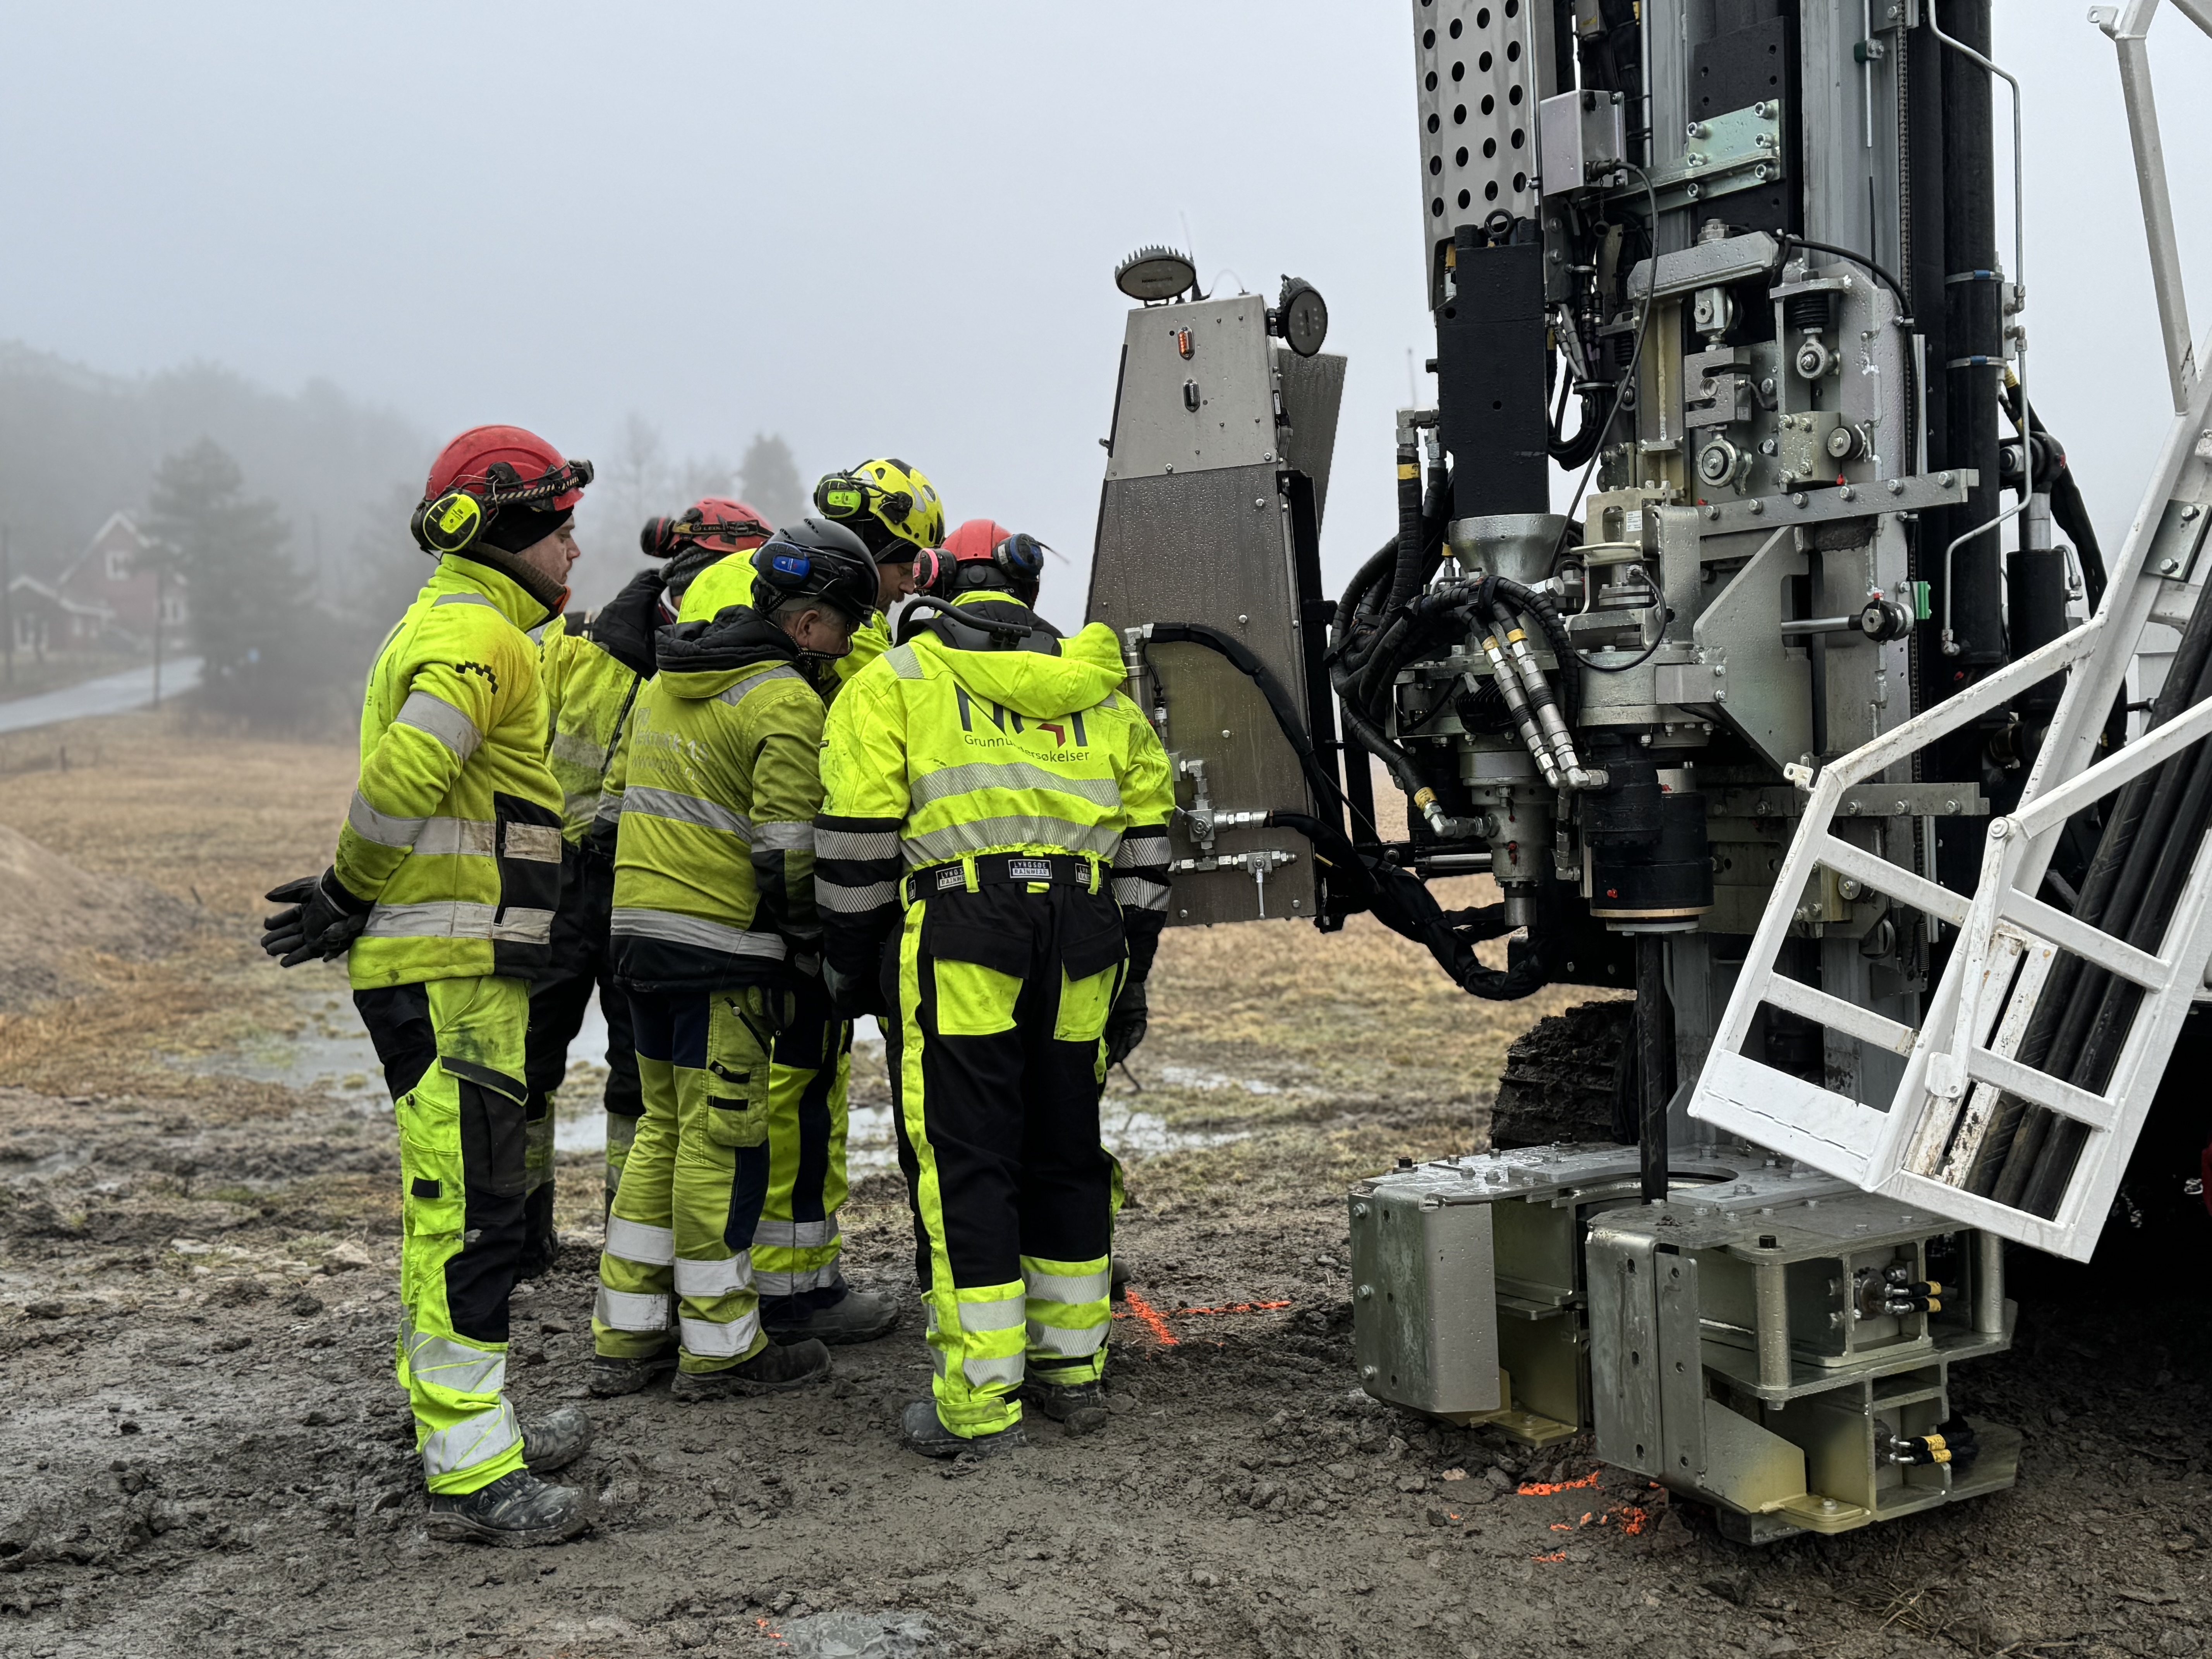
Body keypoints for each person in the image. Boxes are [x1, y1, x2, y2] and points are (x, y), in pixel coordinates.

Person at [260, 424, 600, 1546]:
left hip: (460, 964)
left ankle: (465, 1424)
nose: (574, 547)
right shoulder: (476, 634)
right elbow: (408, 767)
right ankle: (473, 1468)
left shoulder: (471, 624)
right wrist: (348, 888)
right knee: (473, 1213)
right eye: (558, 526)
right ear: (499, 530)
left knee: (457, 1203)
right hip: (449, 970)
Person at [813, 524, 1174, 1458]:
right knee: (1067, 1148)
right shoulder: (1104, 696)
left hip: (963, 929)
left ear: (935, 588)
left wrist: (853, 965)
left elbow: (855, 850)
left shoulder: (893, 683)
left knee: (969, 1155)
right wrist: (1128, 970)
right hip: (1084, 935)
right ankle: (1072, 1370)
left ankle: (977, 1401)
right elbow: (1148, 856)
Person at [590, 518, 884, 1401]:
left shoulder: (664, 680)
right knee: (725, 1144)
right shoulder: (782, 701)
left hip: (638, 943)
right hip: (724, 957)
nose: (845, 647)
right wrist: (813, 948)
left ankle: (629, 1332)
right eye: (844, 627)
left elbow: (609, 813)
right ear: (808, 621)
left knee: (662, 1131)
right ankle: (722, 1348)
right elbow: (789, 853)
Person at [525, 498, 775, 1262]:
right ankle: (520, 1236)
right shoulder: (578, 643)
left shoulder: (732, 660)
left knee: (643, 1078)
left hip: (651, 886)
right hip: (559, 881)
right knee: (527, 1062)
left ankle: (633, 1244)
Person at [680, 456, 943, 689]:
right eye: (904, 570)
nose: (911, 587)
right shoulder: (848, 632)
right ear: (869, 554)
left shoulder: (715, 574)